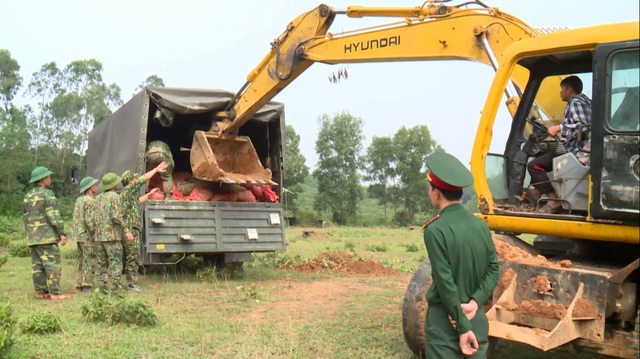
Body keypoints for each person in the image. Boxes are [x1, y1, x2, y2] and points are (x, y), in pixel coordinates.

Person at [422, 151, 499, 358]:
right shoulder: (481, 226)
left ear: (436, 192)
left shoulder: (435, 230)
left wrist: (463, 327)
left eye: (430, 189)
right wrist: (475, 303)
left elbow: (445, 283)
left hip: (445, 324)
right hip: (477, 318)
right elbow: (493, 269)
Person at [527, 75, 592, 214]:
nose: (560, 92)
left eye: (562, 89)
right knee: (543, 155)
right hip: (578, 148)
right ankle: (537, 191)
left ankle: (553, 200)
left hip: (577, 151)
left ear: (569, 89)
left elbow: (584, 127)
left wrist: (559, 128)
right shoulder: (586, 102)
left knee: (534, 165)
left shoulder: (576, 102)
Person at [22, 166, 70, 300]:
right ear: (43, 179)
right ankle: (55, 293)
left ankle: (41, 292)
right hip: (47, 237)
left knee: (37, 266)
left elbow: (26, 218)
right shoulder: (47, 194)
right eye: (48, 176)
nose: (50, 179)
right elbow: (53, 215)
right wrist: (61, 232)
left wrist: (30, 234)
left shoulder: (27, 196)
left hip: (33, 238)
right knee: (52, 264)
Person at [120, 162, 167, 292]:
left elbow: (138, 201)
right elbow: (143, 179)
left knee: (130, 256)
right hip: (130, 230)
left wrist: (150, 193)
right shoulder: (128, 190)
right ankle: (132, 283)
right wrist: (156, 170)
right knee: (132, 257)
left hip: (130, 229)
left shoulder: (128, 195)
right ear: (130, 181)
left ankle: (126, 282)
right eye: (134, 178)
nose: (136, 179)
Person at [92, 173, 133, 294]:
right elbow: (116, 217)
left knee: (101, 264)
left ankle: (102, 290)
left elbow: (94, 217)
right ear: (114, 184)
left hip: (99, 237)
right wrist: (126, 230)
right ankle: (115, 289)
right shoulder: (115, 197)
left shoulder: (98, 198)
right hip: (112, 237)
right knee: (115, 263)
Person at [72, 176, 99, 292]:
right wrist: (95, 233)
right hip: (87, 235)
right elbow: (90, 220)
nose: (96, 186)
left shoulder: (79, 200)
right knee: (89, 259)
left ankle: (79, 282)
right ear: (90, 187)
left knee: (81, 259)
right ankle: (87, 284)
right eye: (94, 184)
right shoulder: (90, 201)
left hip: (78, 234)